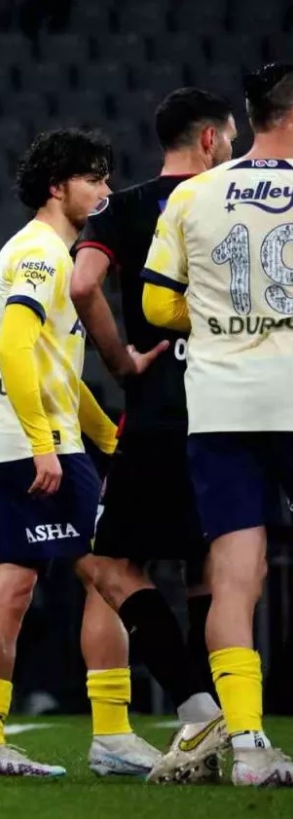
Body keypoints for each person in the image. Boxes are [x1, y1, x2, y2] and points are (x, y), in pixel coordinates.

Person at [0, 129, 160, 778]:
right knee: (111, 571)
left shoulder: (40, 251)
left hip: (0, 439)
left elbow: (53, 370)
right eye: (94, 179)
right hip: (33, 443)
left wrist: (108, 436)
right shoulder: (45, 255)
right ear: (58, 186)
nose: (105, 191)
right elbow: (18, 350)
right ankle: (111, 731)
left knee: (8, 589)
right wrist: (48, 446)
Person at [69, 88, 237, 783]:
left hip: (162, 407)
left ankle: (200, 712)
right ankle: (240, 725)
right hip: (235, 405)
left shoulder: (125, 205)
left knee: (109, 565)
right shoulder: (239, 205)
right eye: (228, 138)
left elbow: (83, 286)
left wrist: (120, 362)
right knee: (220, 572)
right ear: (208, 141)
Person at [141, 63, 293, 788]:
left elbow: (154, 306)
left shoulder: (194, 195)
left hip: (223, 408)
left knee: (235, 580)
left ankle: (252, 747)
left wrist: (217, 318)